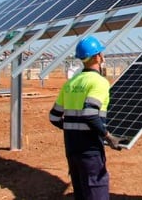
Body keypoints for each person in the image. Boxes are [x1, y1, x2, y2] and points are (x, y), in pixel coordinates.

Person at [49, 35, 122, 200]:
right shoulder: (99, 82)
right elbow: (90, 114)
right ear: (97, 56)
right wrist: (108, 137)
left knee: (81, 193)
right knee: (96, 192)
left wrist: (71, 127)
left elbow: (54, 117)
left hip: (72, 149)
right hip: (90, 150)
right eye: (101, 53)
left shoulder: (70, 83)